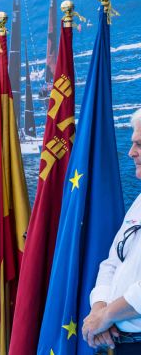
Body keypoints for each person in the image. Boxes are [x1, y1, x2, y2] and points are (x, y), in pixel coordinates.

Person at [82, 108, 141, 354]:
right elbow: (111, 264)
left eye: (139, 144)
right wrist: (99, 309)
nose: (131, 153)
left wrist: (107, 315)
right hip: (124, 343)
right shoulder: (138, 203)